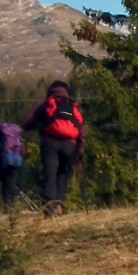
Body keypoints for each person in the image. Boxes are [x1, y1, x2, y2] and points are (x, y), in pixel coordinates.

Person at [22, 80, 83, 214]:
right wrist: (80, 149)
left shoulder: (45, 104)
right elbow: (81, 129)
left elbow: (27, 123)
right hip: (70, 145)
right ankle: (59, 206)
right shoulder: (73, 106)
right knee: (63, 176)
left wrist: (37, 123)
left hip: (50, 144)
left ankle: (49, 207)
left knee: (49, 175)